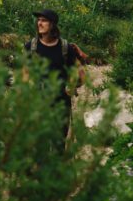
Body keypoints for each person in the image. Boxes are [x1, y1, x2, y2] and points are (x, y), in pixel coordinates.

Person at [23, 8, 86, 146]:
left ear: (52, 24)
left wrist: (73, 84)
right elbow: (25, 74)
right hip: (37, 102)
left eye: (44, 20)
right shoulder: (31, 47)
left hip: (61, 103)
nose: (39, 23)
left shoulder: (65, 48)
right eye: (38, 20)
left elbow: (79, 73)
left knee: (58, 142)